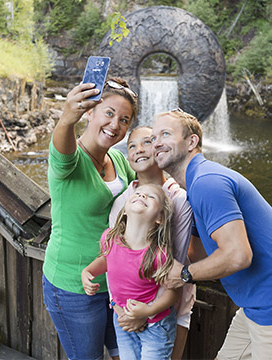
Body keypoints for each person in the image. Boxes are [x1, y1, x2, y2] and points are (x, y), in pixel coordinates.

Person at [152, 109, 272, 359]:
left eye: (165, 134)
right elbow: (199, 254)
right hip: (256, 306)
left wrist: (183, 275)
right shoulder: (194, 187)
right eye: (153, 137)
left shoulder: (207, 182)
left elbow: (238, 255)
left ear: (191, 141)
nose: (156, 142)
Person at [45, 76, 140, 359]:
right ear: (89, 111)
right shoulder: (70, 162)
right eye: (108, 113)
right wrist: (66, 118)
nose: (115, 125)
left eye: (124, 120)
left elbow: (147, 190)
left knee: (126, 355)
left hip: (116, 283)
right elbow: (62, 145)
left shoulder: (119, 160)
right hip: (74, 286)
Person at [107, 126, 199, 359]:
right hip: (126, 309)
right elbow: (113, 261)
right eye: (132, 146)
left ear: (159, 147)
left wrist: (148, 312)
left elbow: (174, 264)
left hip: (170, 307)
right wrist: (123, 309)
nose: (139, 150)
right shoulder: (123, 203)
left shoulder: (179, 199)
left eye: (147, 142)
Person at [83, 184, 182, 360]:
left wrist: (148, 310)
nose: (142, 196)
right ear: (125, 210)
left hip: (155, 326)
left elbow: (173, 292)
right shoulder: (110, 238)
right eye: (138, 193)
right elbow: (107, 260)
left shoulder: (159, 254)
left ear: (160, 217)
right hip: (121, 318)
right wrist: (88, 271)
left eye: (151, 197)